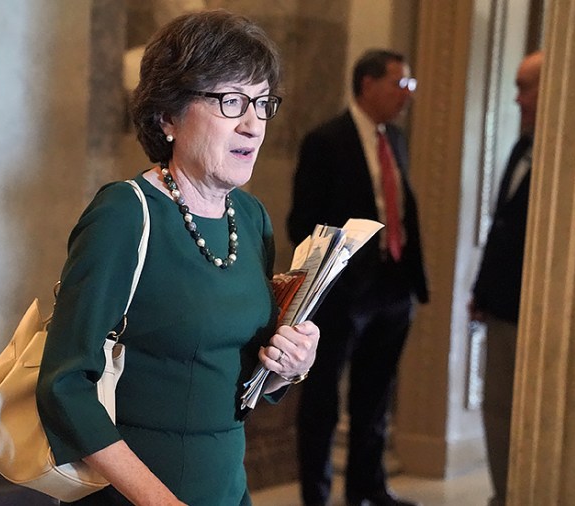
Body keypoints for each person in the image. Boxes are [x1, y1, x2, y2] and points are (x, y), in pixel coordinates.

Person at [36, 10, 320, 506]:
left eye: (262, 102)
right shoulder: (124, 214)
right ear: (168, 115)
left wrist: (286, 366)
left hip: (226, 487)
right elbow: (64, 386)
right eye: (231, 102)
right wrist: (158, 500)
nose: (254, 124)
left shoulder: (250, 217)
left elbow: (234, 374)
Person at [287, 49, 429, 506]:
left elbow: (400, 207)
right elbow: (303, 221)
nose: (407, 95)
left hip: (393, 288)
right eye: (399, 84)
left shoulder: (397, 140)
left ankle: (368, 490)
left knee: (375, 398)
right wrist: (339, 276)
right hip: (344, 295)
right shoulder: (326, 140)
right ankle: (317, 495)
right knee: (323, 405)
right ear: (368, 84)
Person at [470, 50, 542, 506]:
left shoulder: (574, 159)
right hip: (500, 308)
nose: (517, 99)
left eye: (525, 87)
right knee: (497, 411)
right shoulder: (520, 146)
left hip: (536, 315)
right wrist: (481, 291)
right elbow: (502, 231)